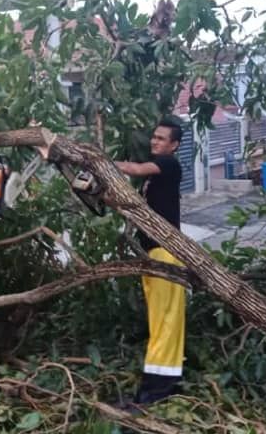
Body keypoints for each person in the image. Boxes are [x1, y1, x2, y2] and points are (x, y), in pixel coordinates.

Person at [114, 118, 186, 405]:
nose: (155, 141)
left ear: (174, 145)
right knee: (160, 321)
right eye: (153, 137)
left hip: (166, 253)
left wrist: (101, 161)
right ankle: (164, 382)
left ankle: (157, 389)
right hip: (153, 253)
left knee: (166, 321)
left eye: (161, 138)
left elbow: (134, 168)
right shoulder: (155, 176)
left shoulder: (168, 164)